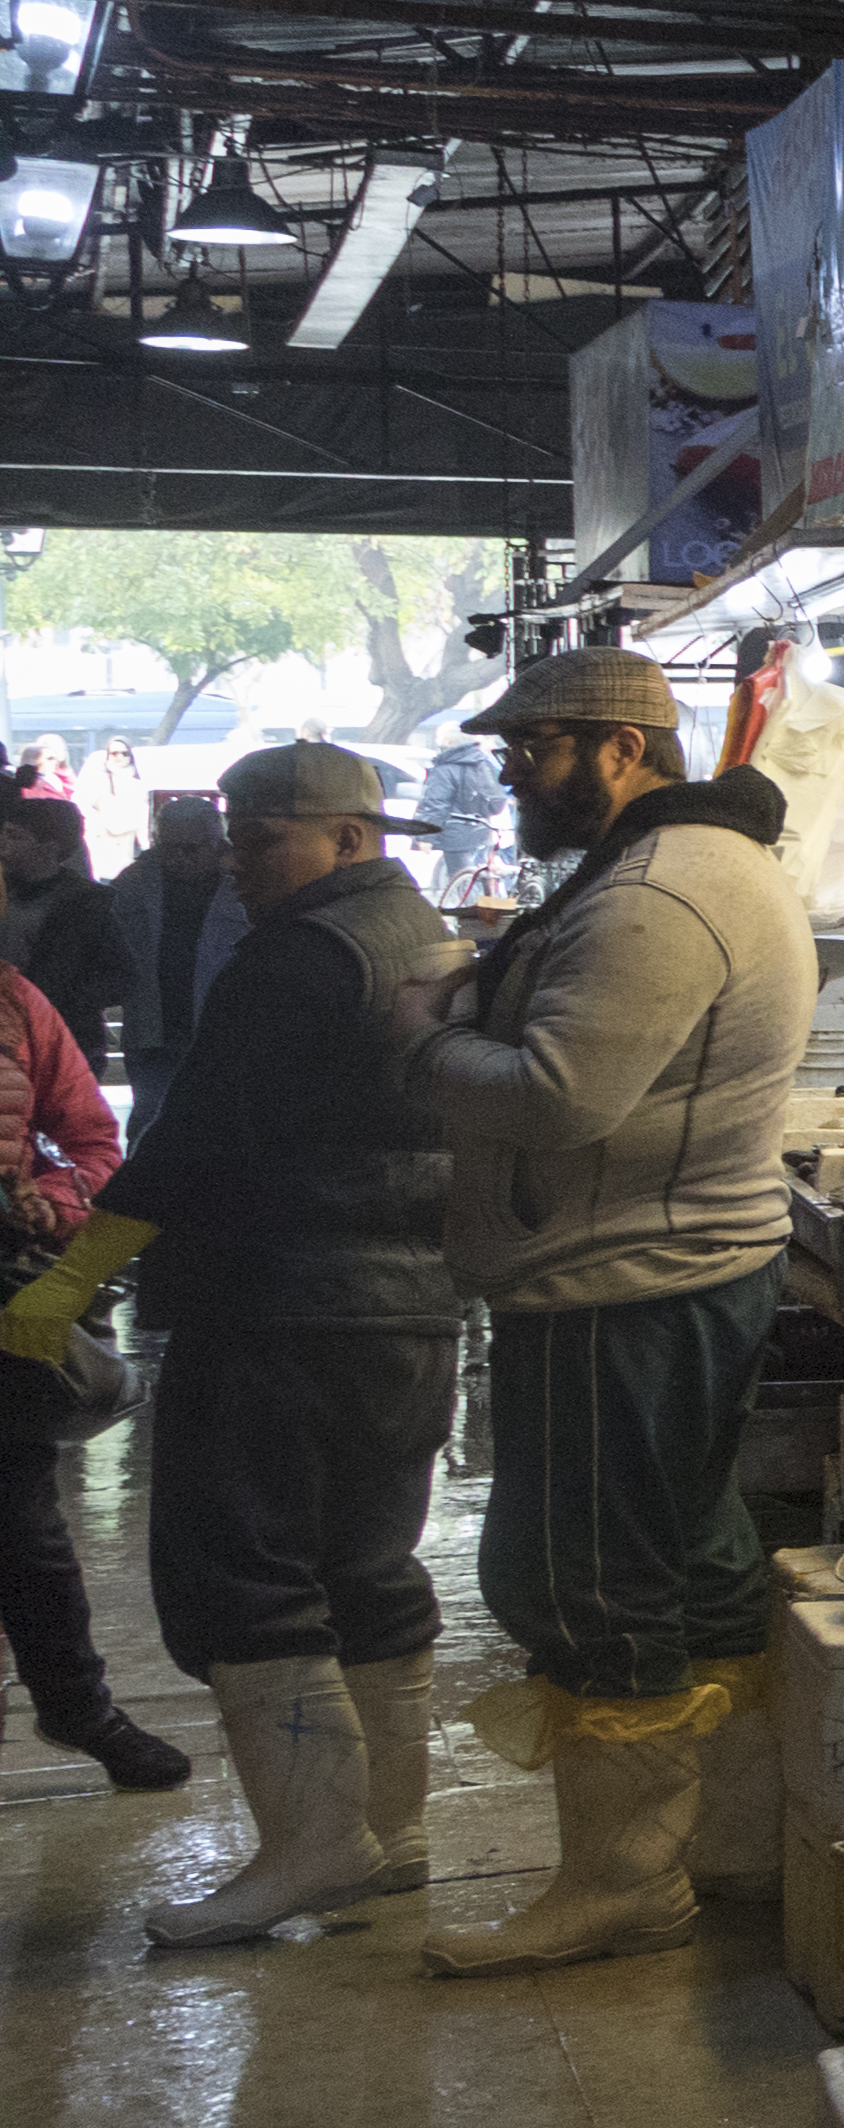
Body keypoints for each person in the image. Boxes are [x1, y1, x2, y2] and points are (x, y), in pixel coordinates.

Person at [394, 647, 812, 1973]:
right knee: (684, 1557)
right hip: (671, 1269)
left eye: (538, 745)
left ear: (624, 751)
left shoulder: (663, 892)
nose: (513, 767)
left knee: (586, 1579)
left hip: (621, 1285)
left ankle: (625, 1883)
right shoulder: (678, 871)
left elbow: (561, 1096)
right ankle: (741, 1840)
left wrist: (421, 1038)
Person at [5, 744, 461, 1938]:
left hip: (276, 1310)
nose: (238, 867)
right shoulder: (426, 936)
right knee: (369, 1565)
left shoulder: (302, 953)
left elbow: (190, 1146)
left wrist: (64, 1291)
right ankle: (390, 1834)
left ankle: (313, 1848)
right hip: (408, 1306)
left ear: (350, 836)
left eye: (266, 841)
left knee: (245, 1578)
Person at [0, 944, 189, 1789]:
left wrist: (56, 1196)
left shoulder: (14, 1001)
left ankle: (78, 1709)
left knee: (25, 1526)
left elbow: (90, 1139)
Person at [104, 781, 238, 1099]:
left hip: (223, 1035)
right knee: (151, 1122)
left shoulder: (244, 886)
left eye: (191, 848)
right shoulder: (133, 885)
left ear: (217, 843)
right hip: (153, 1032)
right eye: (169, 847)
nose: (179, 857)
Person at [3, 790, 116, 1073]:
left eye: (15, 836)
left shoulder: (88, 903)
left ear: (49, 847)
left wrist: (58, 1002)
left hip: (63, 1039)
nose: (3, 843)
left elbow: (120, 974)